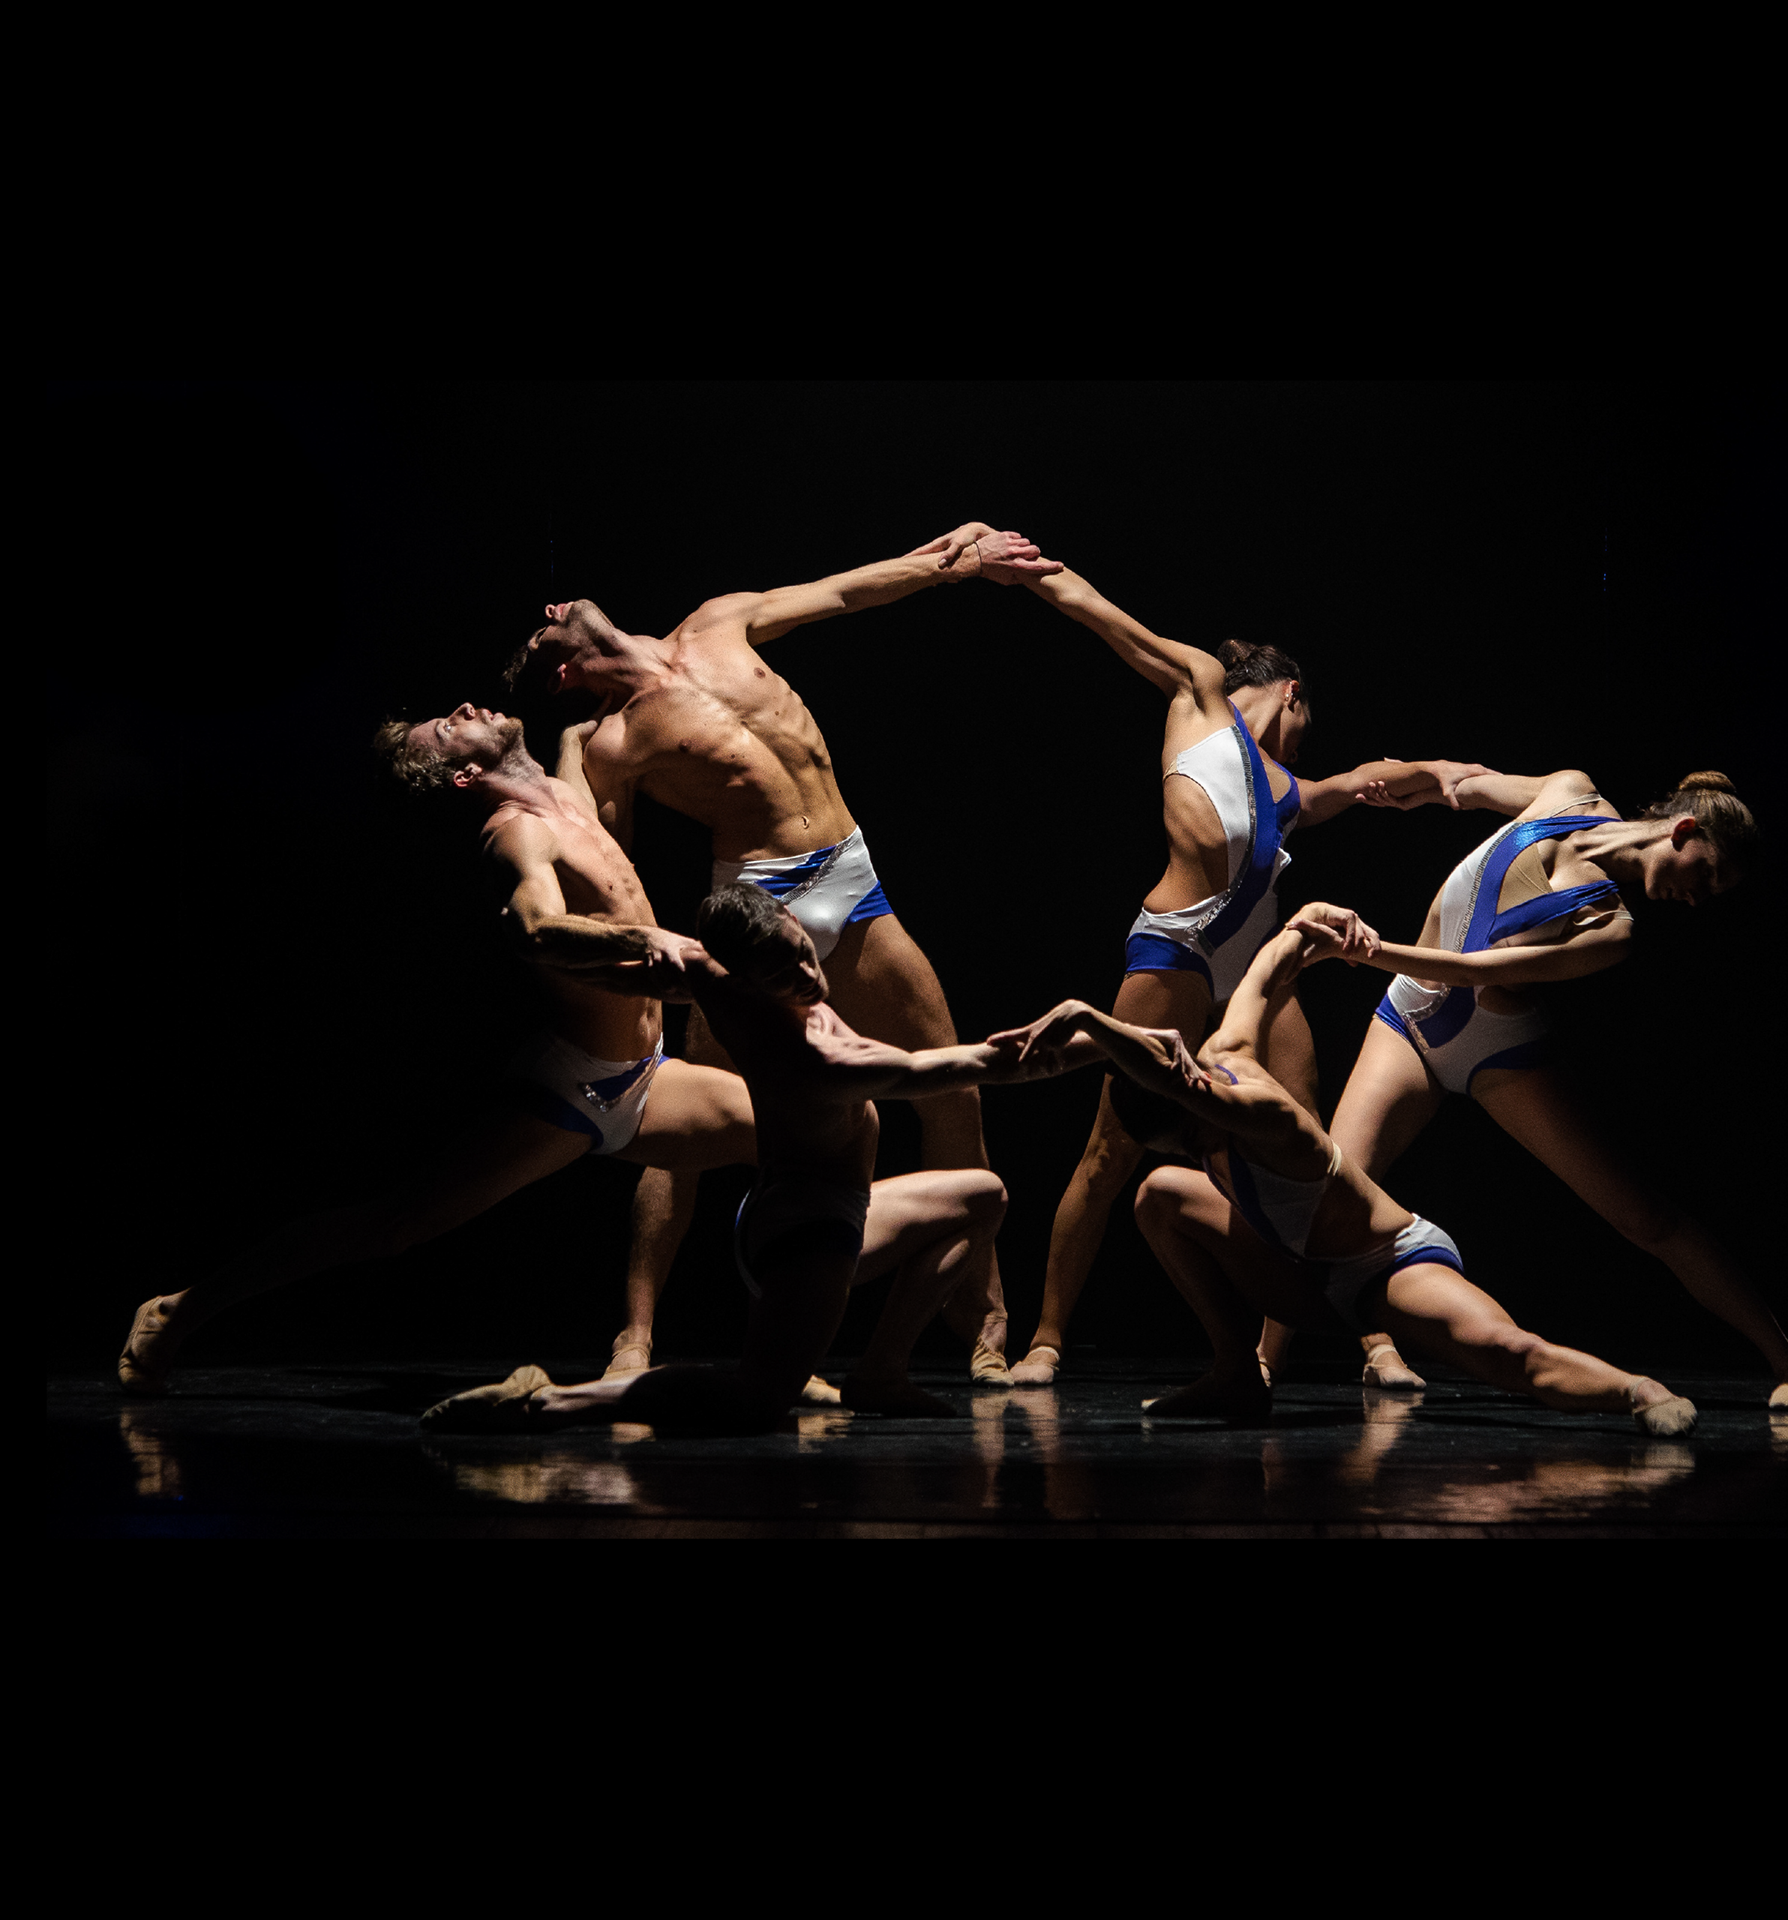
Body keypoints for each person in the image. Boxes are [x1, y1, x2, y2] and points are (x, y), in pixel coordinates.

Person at [513, 524, 1061, 1386]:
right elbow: (599, 857)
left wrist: (950, 565)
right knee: (702, 1128)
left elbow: (844, 590)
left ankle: (982, 1320)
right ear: (559, 676)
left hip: (851, 875)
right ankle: (636, 1335)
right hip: (760, 911)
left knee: (955, 1091)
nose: (552, 608)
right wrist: (570, 754)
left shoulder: (716, 620)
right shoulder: (613, 741)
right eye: (538, 630)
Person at [115, 702, 757, 1394]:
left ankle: (782, 1349)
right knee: (398, 1224)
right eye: (451, 728)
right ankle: (180, 1309)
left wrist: (582, 724)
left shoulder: (563, 793)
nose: (465, 709)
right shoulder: (514, 833)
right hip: (571, 1089)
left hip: (646, 1079)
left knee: (813, 1131)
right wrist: (647, 942)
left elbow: (582, 762)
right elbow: (535, 929)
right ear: (465, 776)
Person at [1001, 560, 1489, 1385]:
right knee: (1111, 1149)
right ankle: (1045, 1342)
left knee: (1312, 1153)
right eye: (1306, 720)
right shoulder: (1200, 693)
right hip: (1177, 946)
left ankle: (1360, 1346)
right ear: (1292, 693)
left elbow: (1364, 783)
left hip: (1256, 961)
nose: (1303, 740)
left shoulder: (1292, 788)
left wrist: (1444, 777)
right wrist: (1024, 568)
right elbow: (1104, 616)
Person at [422, 883, 1101, 1436]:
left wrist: (581, 939)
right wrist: (1109, 1042)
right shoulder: (822, 1059)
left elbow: (625, 950)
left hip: (803, 1206)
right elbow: (985, 1064)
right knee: (755, 1401)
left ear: (793, 923)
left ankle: (881, 1373)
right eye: (782, 975)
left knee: (983, 1194)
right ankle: (550, 1402)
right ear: (749, 980)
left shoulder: (713, 971)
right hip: (809, 1235)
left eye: (802, 954)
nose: (806, 977)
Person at [990, 911, 1701, 1436]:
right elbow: (1265, 970)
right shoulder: (1222, 1057)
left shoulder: (1261, 1112)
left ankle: (1639, 1392)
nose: (1191, 1148)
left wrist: (1086, 1017)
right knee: (1158, 1196)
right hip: (1303, 1276)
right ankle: (1237, 1373)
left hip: (1386, 1267)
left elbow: (1185, 1087)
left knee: (1508, 1354)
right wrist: (1307, 925)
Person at [1282, 767, 1788, 1408]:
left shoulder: (1611, 932)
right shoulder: (1569, 791)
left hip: (1495, 1049)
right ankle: (1294, 1361)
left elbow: (1472, 968)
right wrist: (1419, 783)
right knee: (1324, 1194)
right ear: (1683, 830)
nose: (1698, 897)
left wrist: (1367, 951)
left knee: (1645, 1219)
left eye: (1713, 892)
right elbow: (1468, 782)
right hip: (1409, 1020)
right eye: (1707, 874)